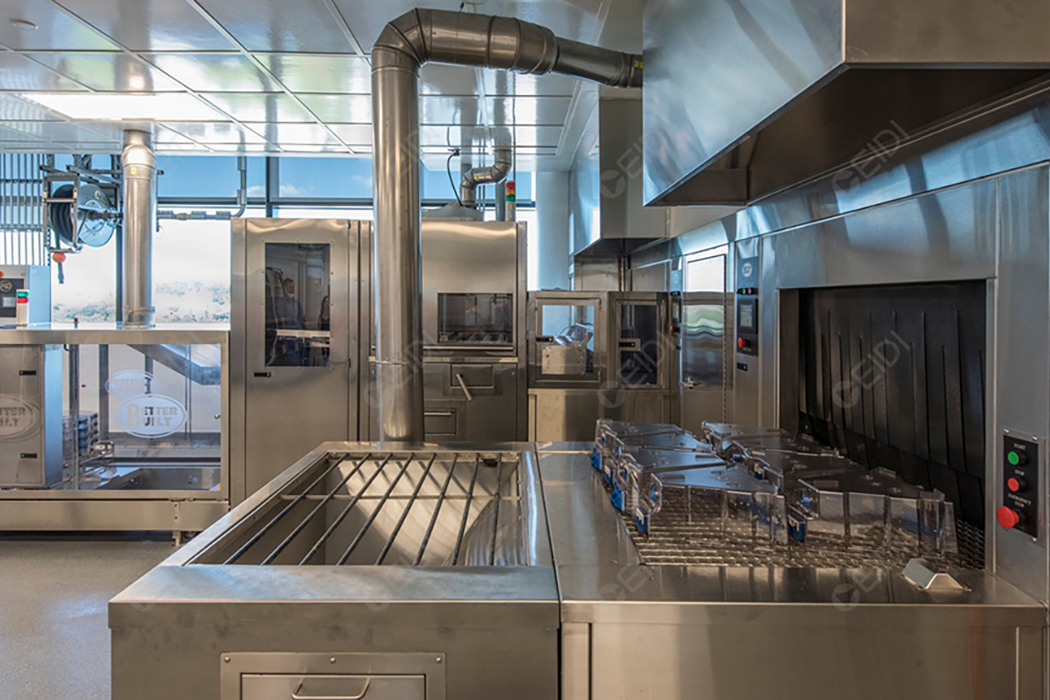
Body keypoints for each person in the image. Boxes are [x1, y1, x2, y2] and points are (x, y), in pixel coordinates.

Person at [272, 277, 306, 365]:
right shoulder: (282, 302)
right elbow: (281, 318)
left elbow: (301, 317)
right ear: (285, 287)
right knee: (292, 354)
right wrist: (284, 332)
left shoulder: (296, 302)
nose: (292, 289)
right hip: (289, 332)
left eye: (293, 287)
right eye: (290, 287)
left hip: (298, 332)